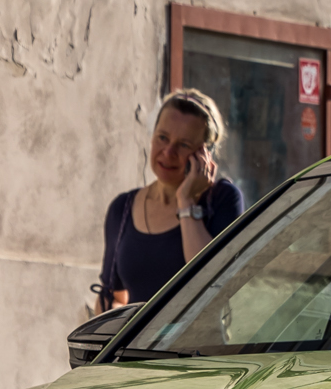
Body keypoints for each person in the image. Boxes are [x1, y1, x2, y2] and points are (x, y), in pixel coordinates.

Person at [99, 89, 243, 311]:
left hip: (194, 346)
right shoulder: (123, 208)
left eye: (184, 145)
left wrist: (186, 201)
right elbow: (111, 298)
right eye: (163, 137)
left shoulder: (222, 200)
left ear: (204, 155)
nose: (168, 152)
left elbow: (210, 281)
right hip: (136, 346)